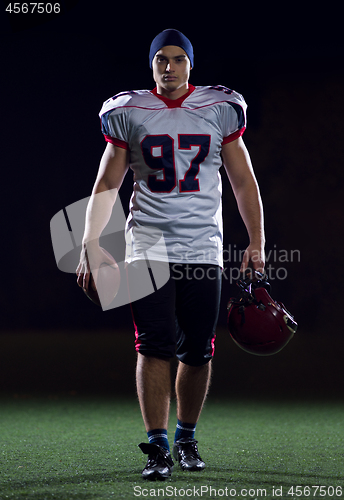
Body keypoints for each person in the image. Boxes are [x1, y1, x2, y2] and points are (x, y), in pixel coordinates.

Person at [76, 29, 265, 481]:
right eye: (161, 59)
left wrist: (256, 241)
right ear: (151, 65)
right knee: (154, 343)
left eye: (178, 59)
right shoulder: (129, 111)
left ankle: (186, 437)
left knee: (199, 350)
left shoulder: (220, 108)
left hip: (203, 244)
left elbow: (243, 181)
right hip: (148, 244)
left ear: (190, 65)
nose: (169, 67)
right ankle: (158, 446)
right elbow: (107, 184)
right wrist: (90, 242)